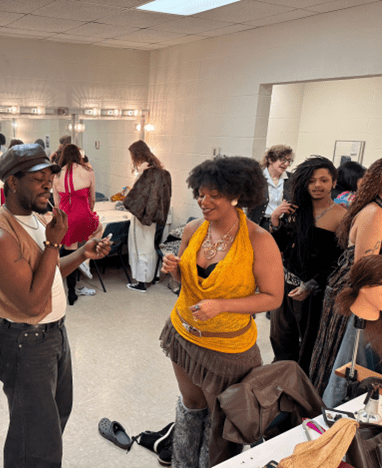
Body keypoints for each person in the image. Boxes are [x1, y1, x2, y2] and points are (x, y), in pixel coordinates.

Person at [0, 144, 111, 468]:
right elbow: (31, 301)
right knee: (36, 440)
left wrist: (81, 253)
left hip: (53, 335)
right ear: (12, 182)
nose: (48, 187)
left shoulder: (36, 219)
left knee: (55, 418)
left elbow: (46, 273)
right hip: (26, 342)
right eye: (38, 180)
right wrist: (54, 241)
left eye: (49, 179)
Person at [160, 156, 283, 467]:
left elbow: (273, 297)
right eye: (200, 194)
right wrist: (174, 269)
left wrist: (222, 306)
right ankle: (183, 461)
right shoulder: (193, 229)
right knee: (191, 405)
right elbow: (186, 282)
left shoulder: (259, 240)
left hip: (226, 349)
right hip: (183, 335)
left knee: (220, 419)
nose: (204, 202)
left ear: (236, 195)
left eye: (214, 195)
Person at [309, 158, 382, 404]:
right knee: (344, 371)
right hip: (355, 298)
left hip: (363, 297)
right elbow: (365, 275)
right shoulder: (374, 214)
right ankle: (330, 417)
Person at [269, 156, 347, 375]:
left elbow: (339, 262)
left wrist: (311, 285)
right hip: (286, 286)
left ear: (334, 182)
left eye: (323, 180)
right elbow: (281, 248)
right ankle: (280, 383)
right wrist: (275, 221)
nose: (317, 185)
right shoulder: (296, 210)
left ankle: (300, 389)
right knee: (281, 340)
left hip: (315, 293)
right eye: (311, 181)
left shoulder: (342, 217)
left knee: (308, 345)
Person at [53, 144, 101, 305]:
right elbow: (92, 199)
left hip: (66, 217)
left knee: (69, 251)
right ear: (78, 155)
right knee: (99, 228)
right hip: (82, 214)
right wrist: (89, 214)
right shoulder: (88, 171)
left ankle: (71, 292)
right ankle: (86, 260)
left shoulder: (57, 175)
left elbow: (56, 204)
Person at [123, 140, 172, 292]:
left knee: (139, 247)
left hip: (142, 216)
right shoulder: (160, 170)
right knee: (150, 246)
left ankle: (141, 282)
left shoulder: (146, 170)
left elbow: (138, 193)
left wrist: (139, 173)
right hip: (153, 216)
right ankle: (153, 276)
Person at [248, 144, 294, 231]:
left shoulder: (291, 178)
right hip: (259, 224)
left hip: (281, 225)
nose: (286, 164)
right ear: (271, 160)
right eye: (283, 160)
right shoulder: (256, 177)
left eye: (289, 161)